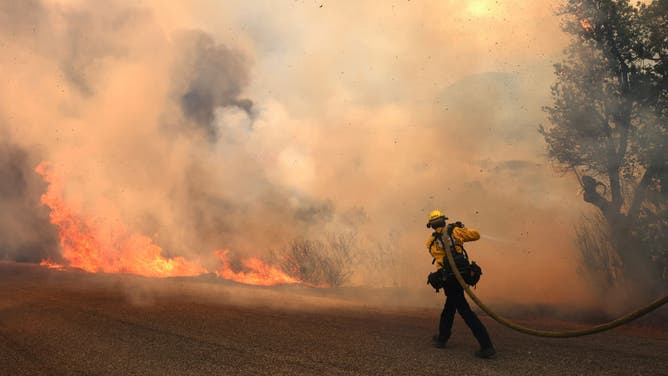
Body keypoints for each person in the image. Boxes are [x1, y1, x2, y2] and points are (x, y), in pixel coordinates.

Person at [425, 210, 496, 358]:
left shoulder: (430, 242)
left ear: (431, 226)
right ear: (444, 221)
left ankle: (486, 346)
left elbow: (437, 256)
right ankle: (442, 338)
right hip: (460, 275)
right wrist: (461, 228)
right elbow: (476, 235)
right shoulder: (456, 231)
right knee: (451, 307)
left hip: (448, 279)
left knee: (462, 310)